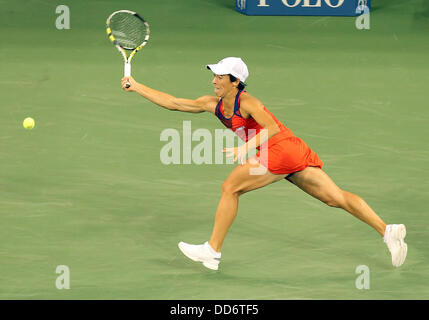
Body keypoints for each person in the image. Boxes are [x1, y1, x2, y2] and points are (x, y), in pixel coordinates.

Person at [121, 57, 407, 271]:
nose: (214, 80)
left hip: (280, 148)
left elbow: (271, 128)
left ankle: (212, 251)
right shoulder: (212, 103)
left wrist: (244, 148)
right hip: (292, 151)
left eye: (220, 76)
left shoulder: (249, 103)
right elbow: (174, 102)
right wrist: (136, 87)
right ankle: (388, 231)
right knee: (337, 198)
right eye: (214, 74)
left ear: (235, 81)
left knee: (230, 188)